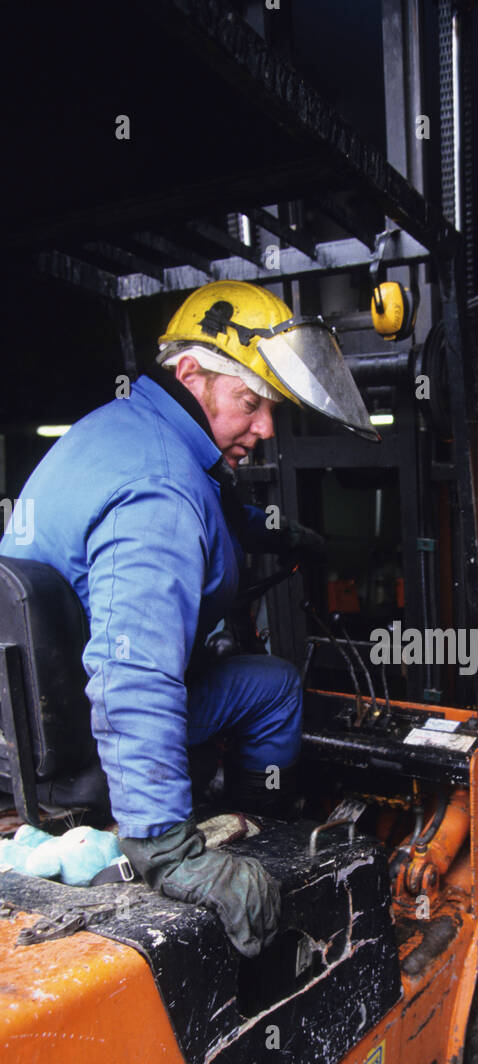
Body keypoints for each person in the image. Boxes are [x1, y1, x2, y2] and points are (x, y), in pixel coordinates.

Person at [0, 280, 378, 956]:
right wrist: (169, 851)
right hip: (84, 735)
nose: (264, 428)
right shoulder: (164, 493)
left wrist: (277, 535)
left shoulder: (123, 432)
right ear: (190, 374)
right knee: (274, 684)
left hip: (26, 724)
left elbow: (207, 508)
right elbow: (134, 676)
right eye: (251, 403)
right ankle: (261, 827)